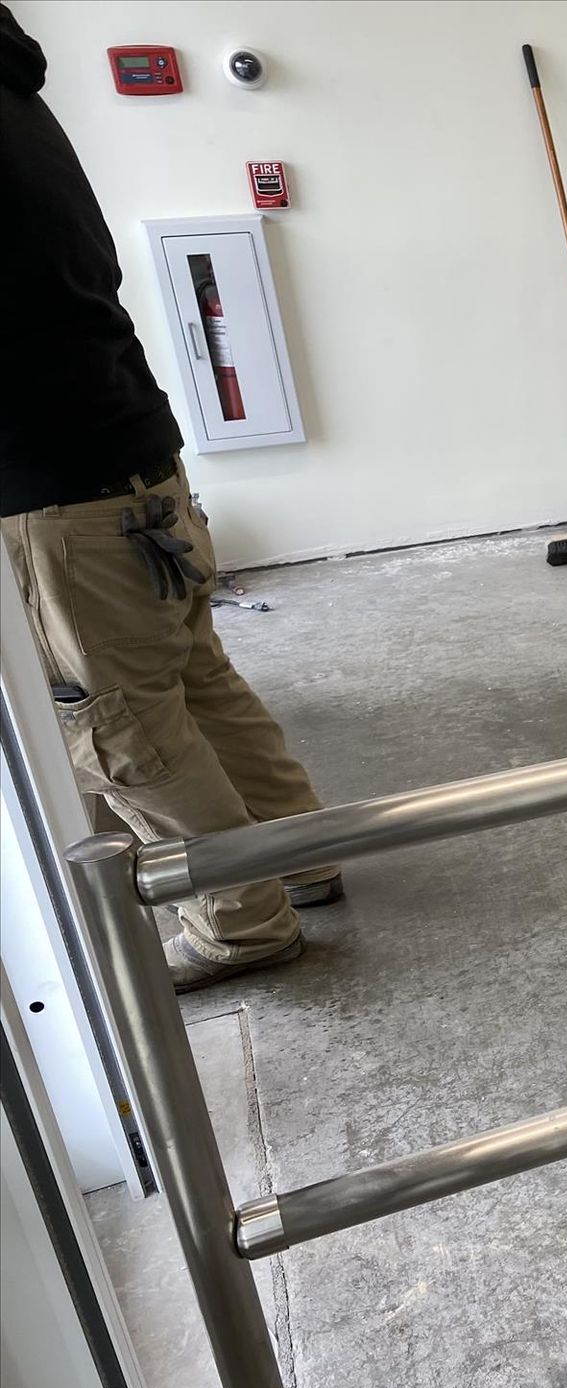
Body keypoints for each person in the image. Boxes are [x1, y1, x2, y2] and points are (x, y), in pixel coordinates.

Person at [1, 7, 341, 991]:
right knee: (193, 679)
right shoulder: (18, 97)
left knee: (119, 731)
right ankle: (297, 857)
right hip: (134, 458)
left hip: (49, 495)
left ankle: (241, 923)